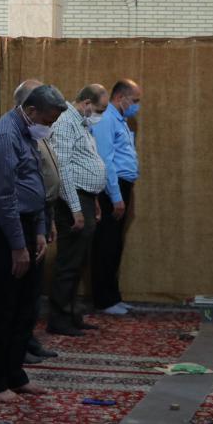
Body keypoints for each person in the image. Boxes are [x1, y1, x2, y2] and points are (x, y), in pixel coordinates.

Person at [0, 84, 67, 402]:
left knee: (26, 307)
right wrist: (18, 245)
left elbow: (36, 184)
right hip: (8, 231)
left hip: (29, 226)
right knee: (4, 307)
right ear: (31, 111)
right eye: (48, 120)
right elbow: (4, 197)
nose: (50, 126)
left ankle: (15, 374)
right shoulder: (5, 136)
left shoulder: (28, 131)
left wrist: (40, 230)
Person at [48, 84, 109, 335]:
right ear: (86, 103)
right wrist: (75, 208)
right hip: (72, 201)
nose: (100, 115)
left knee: (79, 261)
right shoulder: (65, 122)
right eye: (100, 109)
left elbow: (85, 162)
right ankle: (59, 319)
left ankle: (72, 314)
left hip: (86, 198)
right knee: (69, 262)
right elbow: (62, 169)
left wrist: (94, 198)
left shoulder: (81, 123)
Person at [12, 79, 60, 362]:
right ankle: (19, 345)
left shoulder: (37, 131)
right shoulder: (14, 134)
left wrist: (47, 221)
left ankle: (28, 339)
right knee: (22, 290)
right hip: (24, 217)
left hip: (41, 212)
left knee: (34, 287)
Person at [92, 79, 141, 315]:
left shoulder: (121, 120)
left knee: (114, 244)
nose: (137, 106)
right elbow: (106, 160)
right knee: (106, 244)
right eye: (135, 100)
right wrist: (115, 196)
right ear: (121, 98)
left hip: (123, 185)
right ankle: (103, 300)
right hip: (112, 187)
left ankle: (113, 296)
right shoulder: (106, 120)